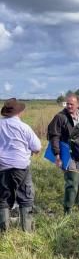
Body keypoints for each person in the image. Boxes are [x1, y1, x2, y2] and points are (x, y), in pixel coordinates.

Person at [0, 98, 41, 233]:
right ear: (19, 112)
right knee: (26, 197)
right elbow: (37, 147)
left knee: (3, 198)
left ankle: (3, 232)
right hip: (20, 167)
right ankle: (27, 231)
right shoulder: (24, 127)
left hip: (2, 167)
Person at [47, 94, 79, 214]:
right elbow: (54, 137)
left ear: (78, 104)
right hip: (67, 153)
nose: (69, 106)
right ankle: (67, 211)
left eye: (71, 104)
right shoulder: (60, 117)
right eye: (67, 103)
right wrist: (57, 156)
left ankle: (75, 203)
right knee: (72, 181)